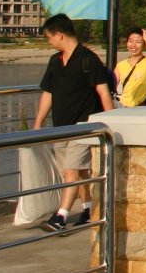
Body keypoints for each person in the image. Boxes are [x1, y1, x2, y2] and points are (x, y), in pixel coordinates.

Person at [33, 13, 114, 232]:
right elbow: (48, 93)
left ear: (59, 35)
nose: (49, 42)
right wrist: (38, 122)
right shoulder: (55, 61)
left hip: (83, 127)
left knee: (71, 170)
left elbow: (104, 93)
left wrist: (113, 124)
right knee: (78, 173)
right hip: (60, 128)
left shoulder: (88, 60)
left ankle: (61, 216)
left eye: (49, 37)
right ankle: (88, 209)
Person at [113, 27, 146, 107]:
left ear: (144, 45)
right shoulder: (120, 65)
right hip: (125, 107)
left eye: (138, 42)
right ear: (127, 43)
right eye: (130, 41)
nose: (133, 45)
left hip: (143, 106)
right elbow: (112, 85)